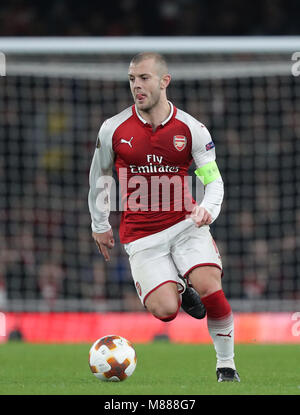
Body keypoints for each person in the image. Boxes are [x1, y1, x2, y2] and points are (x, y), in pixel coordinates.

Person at [88, 52, 240, 382]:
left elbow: (213, 180)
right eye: (132, 79)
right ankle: (182, 289)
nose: (136, 86)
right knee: (165, 311)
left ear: (164, 81)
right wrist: (99, 224)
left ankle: (226, 366)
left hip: (186, 225)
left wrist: (207, 209)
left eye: (143, 78)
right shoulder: (112, 129)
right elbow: (99, 177)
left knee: (211, 288)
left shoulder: (192, 128)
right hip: (142, 236)